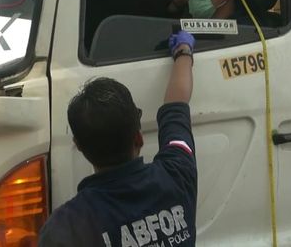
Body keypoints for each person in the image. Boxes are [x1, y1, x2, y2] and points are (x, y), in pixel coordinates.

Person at [39, 30, 197, 247]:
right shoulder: (177, 173)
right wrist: (184, 51)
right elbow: (176, 105)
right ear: (139, 138)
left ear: (79, 146)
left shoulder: (66, 228)